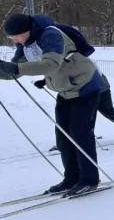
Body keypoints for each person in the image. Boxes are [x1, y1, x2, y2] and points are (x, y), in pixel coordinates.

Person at [0, 13, 105, 196]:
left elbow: (50, 64)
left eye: (16, 36)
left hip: (85, 86)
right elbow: (14, 72)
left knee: (80, 133)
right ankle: (71, 178)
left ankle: (89, 180)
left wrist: (16, 68)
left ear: (27, 30)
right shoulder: (24, 45)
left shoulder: (50, 35)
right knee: (63, 137)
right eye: (11, 38)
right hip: (66, 90)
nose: (15, 40)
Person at [36, 72, 114, 144]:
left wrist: (46, 81)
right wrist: (45, 81)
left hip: (97, 87)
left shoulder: (75, 57)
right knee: (88, 114)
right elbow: (60, 72)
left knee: (102, 112)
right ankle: (69, 141)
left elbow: (69, 72)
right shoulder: (64, 56)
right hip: (87, 88)